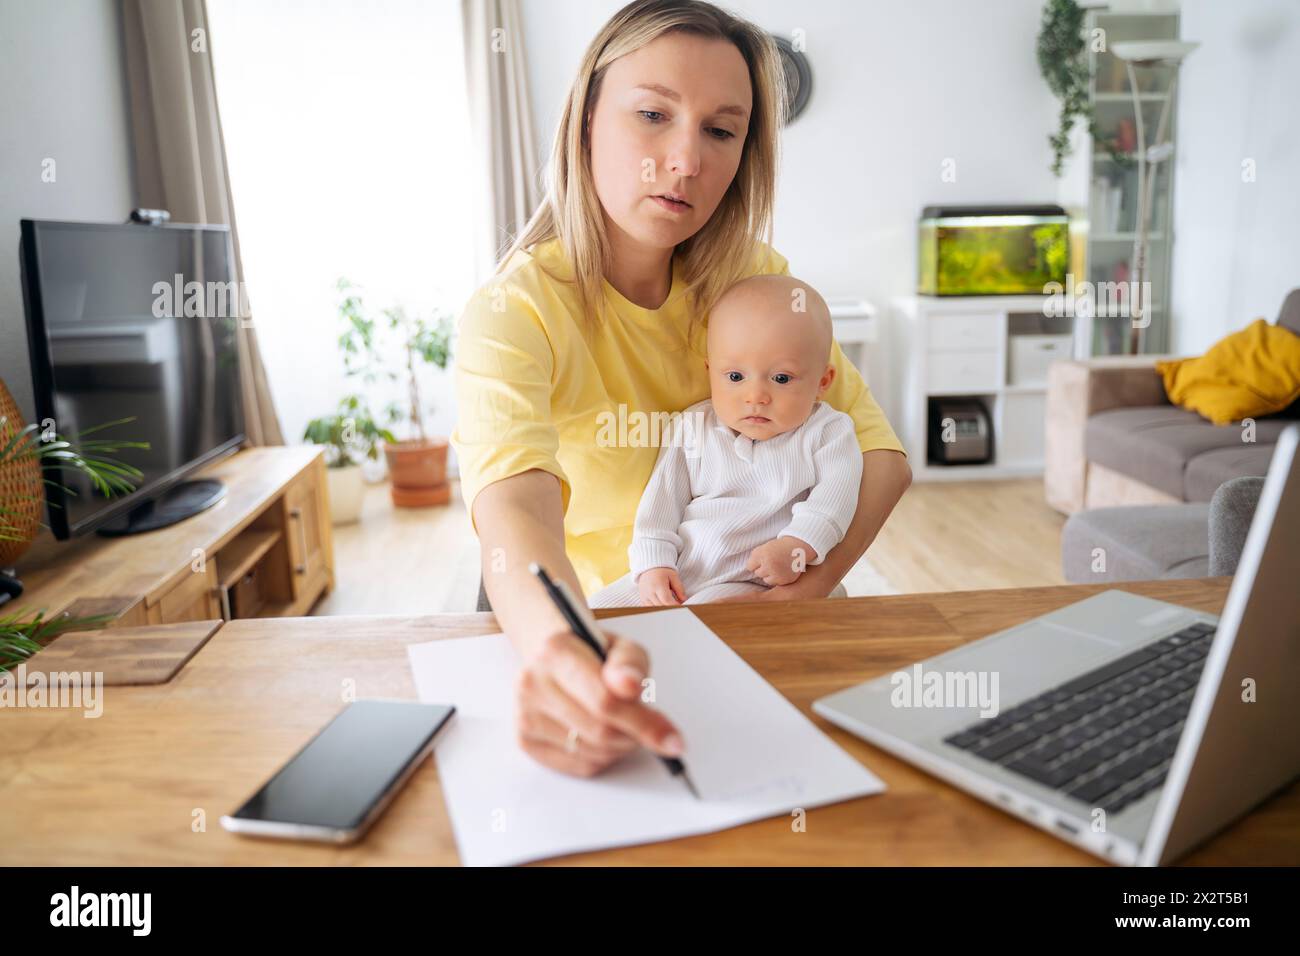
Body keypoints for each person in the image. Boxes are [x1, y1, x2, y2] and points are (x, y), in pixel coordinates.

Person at [451, 0, 911, 779]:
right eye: (653, 114)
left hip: (770, 617)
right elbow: (515, 508)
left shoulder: (759, 281)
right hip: (622, 627)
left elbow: (882, 457)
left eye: (721, 130)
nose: (687, 160)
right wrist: (570, 651)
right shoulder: (513, 309)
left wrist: (810, 587)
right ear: (586, 118)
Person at [589, 274, 862, 607]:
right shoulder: (693, 426)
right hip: (682, 569)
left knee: (701, 625)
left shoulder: (827, 432)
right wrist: (653, 564)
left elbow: (834, 503)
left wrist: (797, 547)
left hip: (756, 580)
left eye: (781, 378)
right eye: (735, 377)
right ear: (710, 372)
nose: (756, 396)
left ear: (823, 381)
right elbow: (661, 503)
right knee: (593, 613)